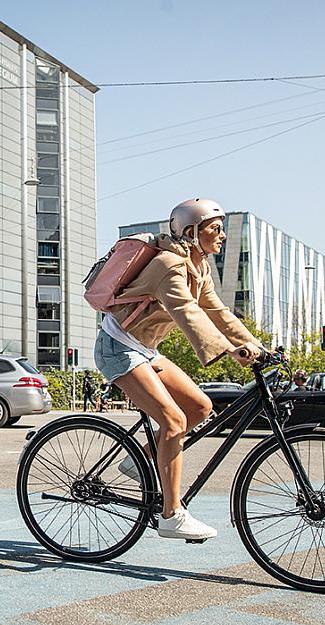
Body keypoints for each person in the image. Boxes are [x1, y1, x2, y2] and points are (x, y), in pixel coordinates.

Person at [96, 198, 262, 540]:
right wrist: (231, 350)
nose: (222, 236)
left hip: (144, 348)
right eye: (214, 229)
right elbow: (188, 313)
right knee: (173, 421)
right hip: (118, 347)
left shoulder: (198, 268)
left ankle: (140, 460)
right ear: (191, 232)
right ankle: (171, 516)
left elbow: (217, 312)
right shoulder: (170, 265)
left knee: (200, 408)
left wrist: (256, 345)